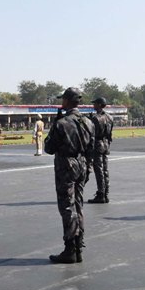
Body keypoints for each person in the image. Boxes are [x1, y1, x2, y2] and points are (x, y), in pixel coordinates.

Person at [44, 87, 95, 264]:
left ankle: (70, 249)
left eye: (62, 100)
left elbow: (49, 148)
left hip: (66, 165)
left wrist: (54, 125)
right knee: (78, 205)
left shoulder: (62, 123)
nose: (61, 103)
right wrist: (88, 168)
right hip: (82, 164)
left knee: (67, 207)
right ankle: (79, 246)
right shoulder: (88, 122)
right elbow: (91, 149)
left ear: (67, 101)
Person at [88, 96, 114, 203]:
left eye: (95, 103)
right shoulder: (110, 117)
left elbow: (92, 133)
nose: (93, 105)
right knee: (105, 169)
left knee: (98, 170)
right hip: (106, 144)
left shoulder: (95, 118)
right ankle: (106, 193)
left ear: (99, 105)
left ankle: (101, 194)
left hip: (98, 144)